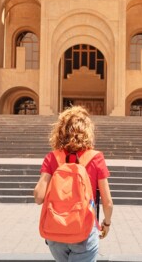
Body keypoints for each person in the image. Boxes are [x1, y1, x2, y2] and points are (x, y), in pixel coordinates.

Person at [33, 106, 113, 262]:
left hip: (56, 232)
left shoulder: (52, 157)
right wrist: (107, 223)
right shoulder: (96, 158)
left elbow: (38, 197)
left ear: (61, 130)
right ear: (87, 130)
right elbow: (108, 202)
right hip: (84, 229)